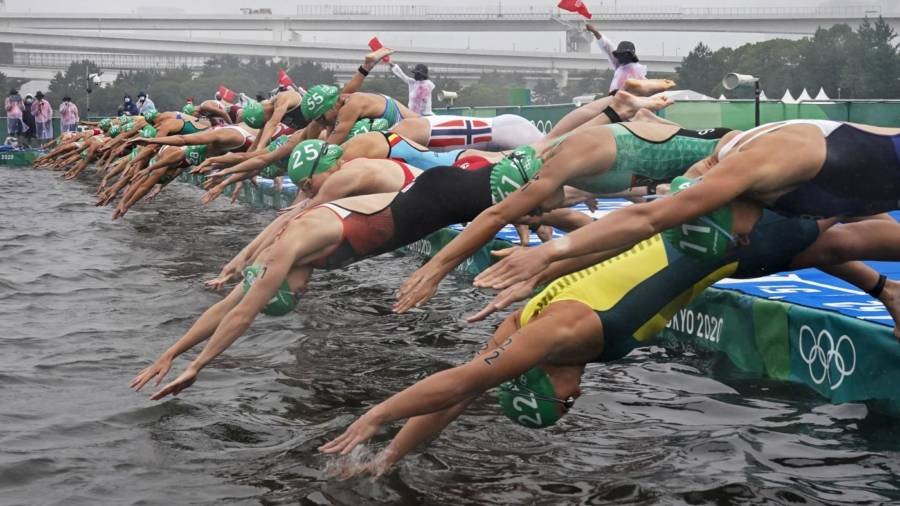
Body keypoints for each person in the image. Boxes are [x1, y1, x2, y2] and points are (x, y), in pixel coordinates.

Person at [319, 201, 900, 473]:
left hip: (726, 237)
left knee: (851, 223)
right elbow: (459, 396)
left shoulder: (563, 335)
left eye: (565, 403)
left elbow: (461, 381)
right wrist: (389, 456)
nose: (577, 400)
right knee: (836, 241)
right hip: (704, 243)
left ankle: (880, 257)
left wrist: (376, 416)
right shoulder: (523, 329)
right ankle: (886, 290)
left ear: (550, 385)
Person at [474, 120, 900, 293]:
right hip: (838, 184)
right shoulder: (724, 180)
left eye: (734, 235)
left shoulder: (758, 166)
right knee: (807, 243)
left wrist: (548, 254)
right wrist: (547, 268)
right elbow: (646, 231)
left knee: (806, 236)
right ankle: (888, 292)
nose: (742, 240)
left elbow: (647, 218)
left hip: (840, 167)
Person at [585, 23, 647, 94]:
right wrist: (595, 32)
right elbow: (607, 46)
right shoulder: (618, 64)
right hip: (615, 98)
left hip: (628, 98)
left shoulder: (637, 70)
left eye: (624, 54)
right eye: (620, 54)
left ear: (630, 55)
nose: (621, 57)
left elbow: (645, 86)